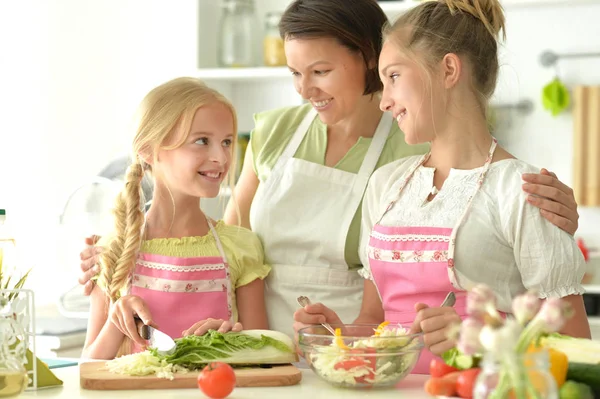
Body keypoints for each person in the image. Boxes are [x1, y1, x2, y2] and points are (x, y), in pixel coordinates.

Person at [78, 0, 580, 339]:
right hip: (280, 349)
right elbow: (225, 248)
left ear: (366, 60)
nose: (304, 89)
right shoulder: (294, 140)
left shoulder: (431, 165)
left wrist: (485, 327)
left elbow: (567, 335)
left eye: (320, 71)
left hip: (396, 366)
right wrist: (121, 255)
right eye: (295, 73)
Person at [293, 0, 591, 375]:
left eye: (394, 77)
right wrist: (337, 335)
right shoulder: (388, 185)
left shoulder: (523, 190)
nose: (384, 101)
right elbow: (376, 319)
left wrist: (484, 344)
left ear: (449, 69)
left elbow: (576, 350)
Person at [82, 77, 270, 360]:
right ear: (148, 149)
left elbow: (267, 360)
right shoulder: (112, 250)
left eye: (227, 142)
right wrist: (115, 322)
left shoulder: (240, 247)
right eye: (202, 141)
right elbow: (87, 370)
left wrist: (233, 345)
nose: (221, 156)